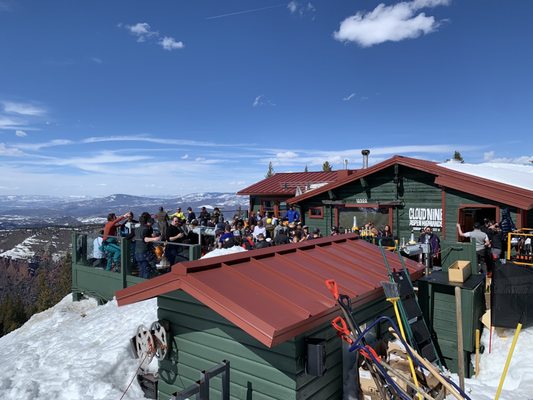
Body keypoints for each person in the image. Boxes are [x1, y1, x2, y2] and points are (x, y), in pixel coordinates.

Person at [135, 212, 161, 279]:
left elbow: (129, 237)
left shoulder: (137, 229)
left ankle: (139, 284)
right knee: (147, 270)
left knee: (142, 270)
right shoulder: (146, 229)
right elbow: (145, 239)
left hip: (138, 252)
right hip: (145, 252)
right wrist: (155, 238)